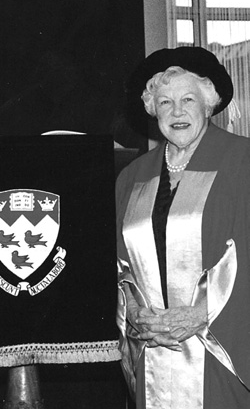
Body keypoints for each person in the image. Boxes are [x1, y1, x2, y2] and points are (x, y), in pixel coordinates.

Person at [116, 46, 250, 408]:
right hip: (154, 349)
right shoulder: (132, 177)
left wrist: (199, 315)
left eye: (188, 99)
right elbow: (119, 265)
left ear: (209, 103)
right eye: (164, 102)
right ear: (151, 109)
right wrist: (134, 313)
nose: (176, 112)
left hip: (218, 347)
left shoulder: (243, 161)